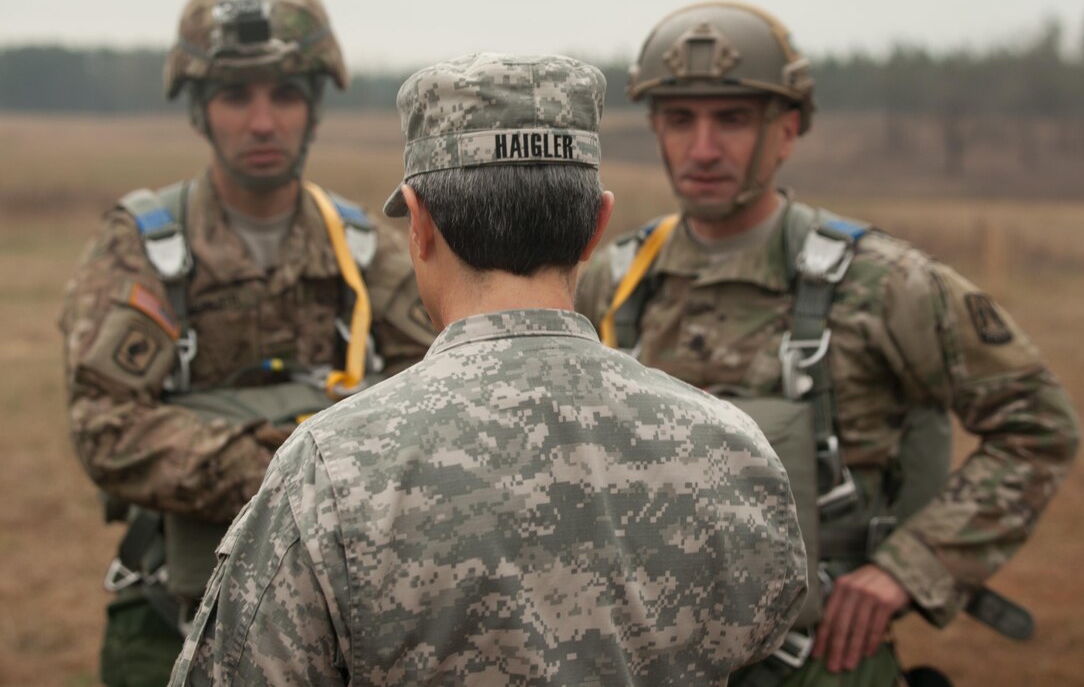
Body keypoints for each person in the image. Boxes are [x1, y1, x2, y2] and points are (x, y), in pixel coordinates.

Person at [168, 52, 808, 685]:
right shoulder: (727, 445)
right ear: (597, 226)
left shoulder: (331, 467)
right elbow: (764, 625)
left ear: (418, 225)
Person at [576, 1, 1080, 686]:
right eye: (678, 118)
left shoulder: (884, 283)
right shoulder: (613, 281)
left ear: (787, 130)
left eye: (732, 119)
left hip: (823, 666)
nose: (701, 148)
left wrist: (910, 568)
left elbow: (1038, 426)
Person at [58, 0, 433, 685]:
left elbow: (440, 396)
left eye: (286, 94)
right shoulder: (143, 247)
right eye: (235, 95)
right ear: (200, 109)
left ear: (314, 106)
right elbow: (104, 421)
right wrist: (285, 468)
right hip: (171, 608)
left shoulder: (365, 254)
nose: (262, 122)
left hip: (345, 622)